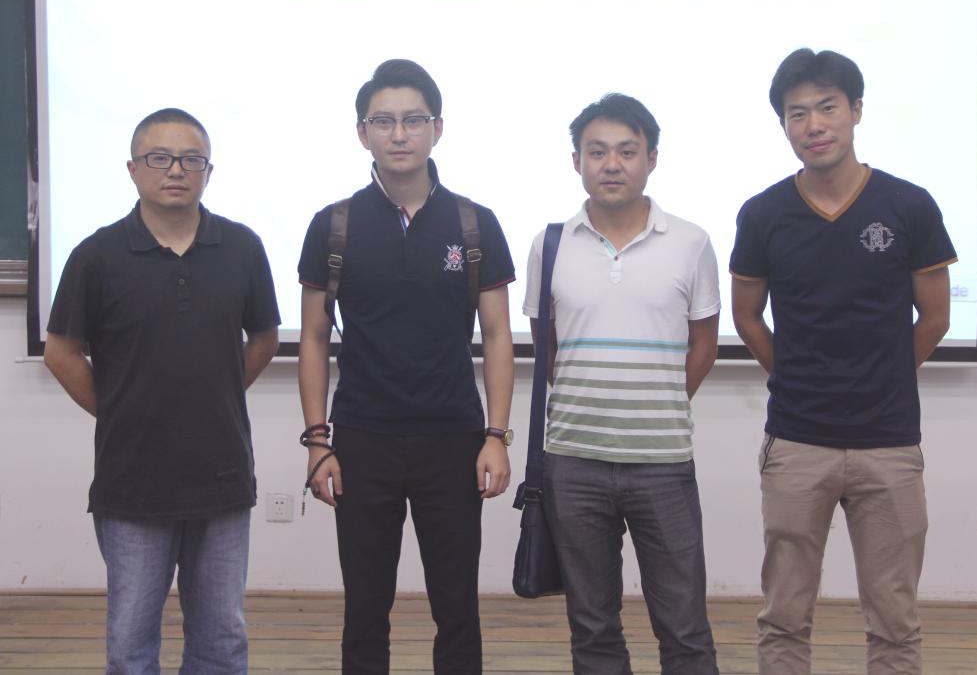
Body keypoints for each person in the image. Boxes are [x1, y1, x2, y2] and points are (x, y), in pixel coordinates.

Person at [730, 48, 956, 675]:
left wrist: (885, 376)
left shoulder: (909, 206)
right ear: (784, 125)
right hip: (797, 440)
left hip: (889, 442)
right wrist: (791, 375)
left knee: (895, 621)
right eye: (797, 113)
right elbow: (747, 317)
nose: (814, 125)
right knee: (783, 615)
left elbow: (935, 317)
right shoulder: (764, 213)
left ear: (855, 110)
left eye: (827, 108)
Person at [43, 108, 281, 674]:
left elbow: (265, 339)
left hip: (222, 475)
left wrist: (215, 393)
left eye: (191, 160)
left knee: (222, 640)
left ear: (208, 172)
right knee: (131, 643)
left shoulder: (242, 247)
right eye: (160, 157)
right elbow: (60, 352)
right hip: (132, 480)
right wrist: (119, 408)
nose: (176, 170)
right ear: (133, 169)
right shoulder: (96, 256)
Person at [297, 59, 515, 674]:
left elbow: (498, 335)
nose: (399, 134)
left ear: (437, 129)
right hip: (363, 439)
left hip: (454, 439)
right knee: (366, 608)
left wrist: (496, 435)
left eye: (414, 120)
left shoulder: (473, 223)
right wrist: (318, 442)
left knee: (458, 607)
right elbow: (313, 336)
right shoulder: (334, 225)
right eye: (383, 121)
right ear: (362, 132)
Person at [524, 93, 721, 674]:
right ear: (577, 161)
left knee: (684, 626)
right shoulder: (550, 244)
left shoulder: (690, 242)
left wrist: (657, 402)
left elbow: (704, 344)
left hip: (662, 463)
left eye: (627, 151)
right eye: (597, 152)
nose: (612, 164)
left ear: (651, 158)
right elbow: (547, 343)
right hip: (573, 461)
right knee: (592, 626)